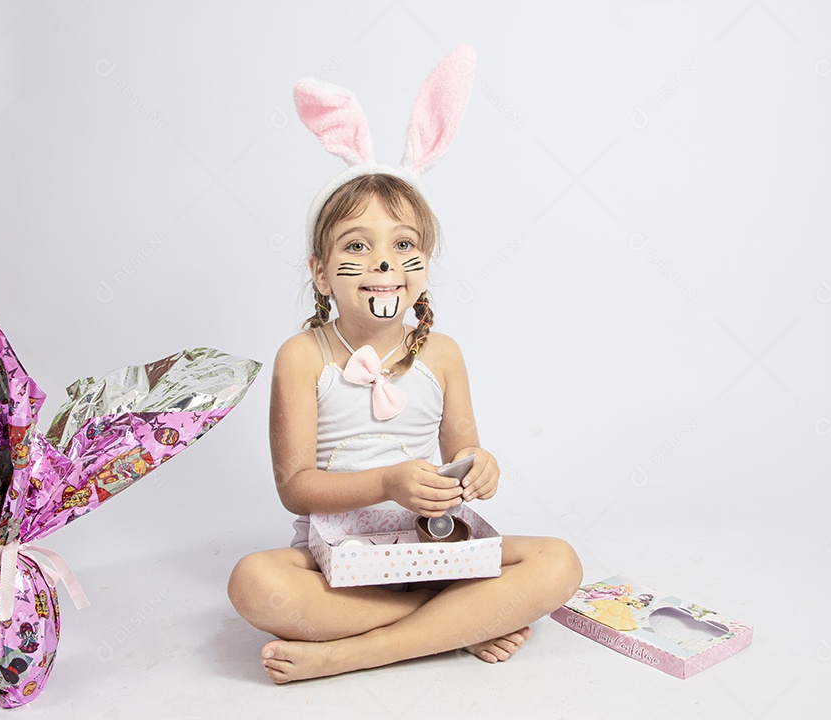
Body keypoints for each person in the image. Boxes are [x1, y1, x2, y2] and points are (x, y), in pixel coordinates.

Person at [226, 47, 582, 685]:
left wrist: (480, 467)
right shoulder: (302, 356)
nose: (383, 264)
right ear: (320, 271)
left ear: (424, 265)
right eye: (357, 246)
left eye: (403, 246)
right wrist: (387, 482)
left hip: (432, 544)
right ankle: (459, 621)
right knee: (254, 583)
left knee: (560, 563)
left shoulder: (442, 354)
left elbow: (463, 450)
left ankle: (357, 649)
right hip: (340, 553)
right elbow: (296, 486)